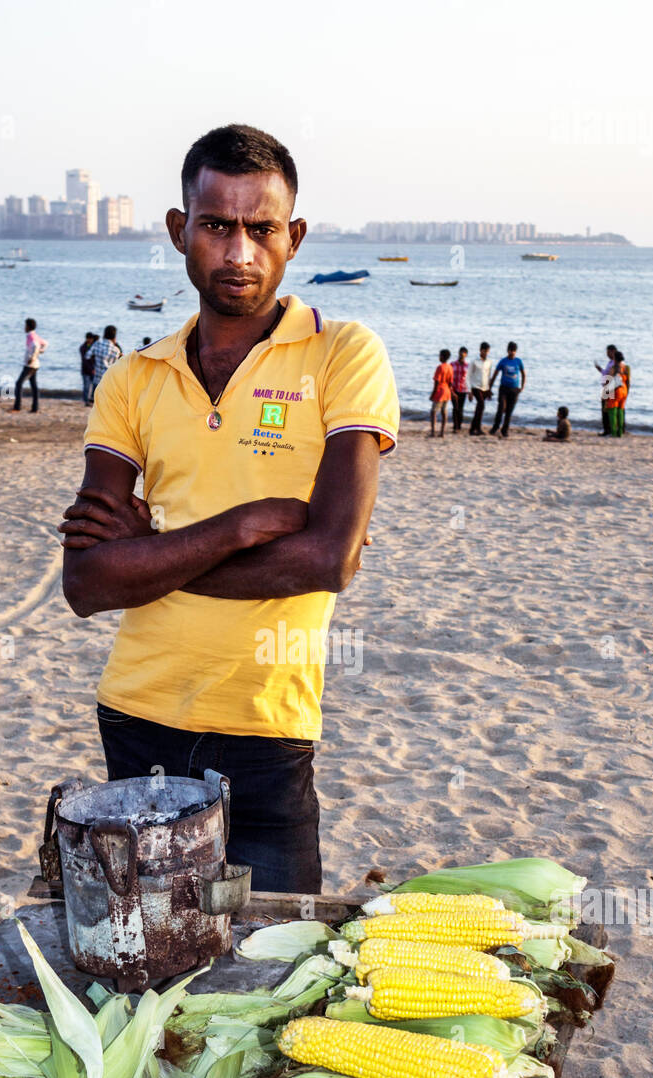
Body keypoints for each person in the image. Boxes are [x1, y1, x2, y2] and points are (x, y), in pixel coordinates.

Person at [59, 123, 399, 893]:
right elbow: (85, 586)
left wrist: (151, 554)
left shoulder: (342, 354)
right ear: (181, 231)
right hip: (136, 713)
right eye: (216, 226)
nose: (239, 252)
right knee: (150, 963)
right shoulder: (134, 379)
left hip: (267, 725)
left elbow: (327, 558)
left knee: (271, 962)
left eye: (261, 228)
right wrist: (236, 528)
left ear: (295, 236)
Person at [489, 342, 526, 437]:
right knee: (501, 408)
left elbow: (523, 374)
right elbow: (495, 374)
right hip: (503, 389)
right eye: (510, 350)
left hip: (514, 390)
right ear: (507, 350)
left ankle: (505, 430)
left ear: (516, 351)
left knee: (509, 411)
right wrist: (490, 387)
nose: (512, 352)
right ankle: (495, 427)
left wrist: (522, 386)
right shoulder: (503, 361)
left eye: (514, 351)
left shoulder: (518, 361)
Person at [14, 317, 47, 412]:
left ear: (28, 326)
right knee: (34, 386)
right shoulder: (35, 335)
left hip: (30, 365)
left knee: (19, 383)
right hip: (35, 365)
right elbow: (45, 343)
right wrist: (41, 351)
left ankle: (17, 407)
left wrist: (32, 358)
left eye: (25, 326)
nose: (24, 328)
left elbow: (35, 345)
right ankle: (35, 408)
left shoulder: (31, 336)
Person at [468, 341, 492, 434]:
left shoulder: (489, 362)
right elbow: (468, 376)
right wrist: (469, 391)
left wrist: (489, 389)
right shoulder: (474, 361)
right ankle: (476, 428)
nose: (485, 353)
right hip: (475, 387)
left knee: (479, 408)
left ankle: (473, 428)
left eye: (487, 351)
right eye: (484, 351)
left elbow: (488, 376)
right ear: (480, 350)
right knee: (481, 405)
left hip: (484, 387)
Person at [430, 349, 454, 436]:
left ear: (442, 357)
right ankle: (442, 432)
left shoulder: (440, 367)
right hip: (447, 392)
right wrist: (451, 392)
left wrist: (433, 394)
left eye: (439, 355)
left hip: (440, 391)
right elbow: (451, 382)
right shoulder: (450, 367)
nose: (439, 357)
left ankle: (433, 431)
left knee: (433, 412)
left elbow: (436, 382)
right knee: (444, 412)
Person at [90, 325, 121, 391]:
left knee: (96, 400)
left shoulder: (97, 344)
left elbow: (88, 356)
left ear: (104, 334)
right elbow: (116, 368)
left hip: (97, 380)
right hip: (108, 382)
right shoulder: (115, 350)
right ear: (114, 336)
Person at [594, 344, 616, 435]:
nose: (607, 354)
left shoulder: (614, 363)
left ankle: (608, 430)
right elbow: (605, 374)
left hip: (609, 386)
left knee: (606, 408)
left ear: (613, 351)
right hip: (607, 386)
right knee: (605, 408)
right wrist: (600, 369)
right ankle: (607, 429)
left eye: (608, 352)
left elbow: (610, 376)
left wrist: (606, 387)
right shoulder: (610, 362)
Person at [450, 347, 469, 432]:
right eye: (461, 352)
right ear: (458, 353)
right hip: (454, 389)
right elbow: (449, 377)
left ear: (466, 354)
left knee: (461, 408)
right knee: (455, 408)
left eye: (464, 353)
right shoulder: (452, 364)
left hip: (463, 389)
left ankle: (459, 425)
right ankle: (455, 426)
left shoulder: (467, 366)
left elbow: (468, 379)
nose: (462, 354)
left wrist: (470, 392)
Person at [80, 332, 98, 405]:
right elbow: (85, 360)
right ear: (87, 339)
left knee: (95, 385)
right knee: (86, 387)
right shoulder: (83, 347)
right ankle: (86, 401)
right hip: (86, 370)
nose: (91, 340)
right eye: (90, 339)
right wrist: (92, 369)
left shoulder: (93, 346)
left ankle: (91, 399)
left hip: (93, 370)